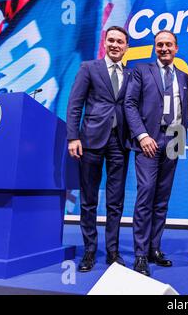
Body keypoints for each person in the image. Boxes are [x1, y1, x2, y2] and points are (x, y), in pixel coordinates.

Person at [124, 30, 188, 276]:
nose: (164, 48)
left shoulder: (183, 76)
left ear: (176, 48)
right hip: (148, 142)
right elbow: (129, 104)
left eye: (169, 44)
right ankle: (140, 254)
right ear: (155, 47)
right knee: (146, 196)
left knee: (162, 199)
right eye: (160, 44)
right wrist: (142, 136)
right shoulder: (141, 71)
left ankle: (154, 249)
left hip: (173, 141)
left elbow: (187, 110)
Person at [66, 26, 130, 272]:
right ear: (105, 42)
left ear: (126, 47)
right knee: (89, 200)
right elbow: (75, 104)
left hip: (119, 143)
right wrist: (73, 137)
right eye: (111, 40)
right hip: (91, 141)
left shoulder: (131, 73)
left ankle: (112, 251)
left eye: (120, 42)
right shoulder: (89, 68)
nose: (115, 45)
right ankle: (89, 251)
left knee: (115, 201)